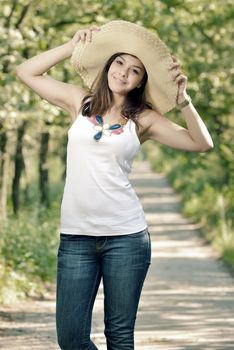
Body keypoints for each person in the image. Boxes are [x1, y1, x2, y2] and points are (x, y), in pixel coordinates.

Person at [16, 20, 213, 350]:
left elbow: (201, 143)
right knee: (71, 338)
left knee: (119, 338)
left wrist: (184, 101)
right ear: (109, 65)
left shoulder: (144, 119)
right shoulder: (79, 102)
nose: (124, 72)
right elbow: (26, 72)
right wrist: (69, 47)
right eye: (120, 62)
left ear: (140, 81)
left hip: (126, 237)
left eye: (135, 70)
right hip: (77, 237)